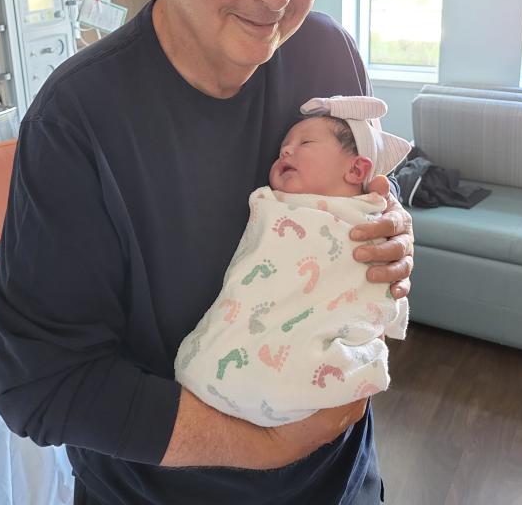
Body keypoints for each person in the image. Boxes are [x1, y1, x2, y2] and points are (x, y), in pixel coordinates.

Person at [0, 0, 415, 505]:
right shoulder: (80, 123)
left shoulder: (327, 57)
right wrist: (265, 448)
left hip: (339, 482)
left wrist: (391, 235)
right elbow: (42, 385)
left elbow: (362, 206)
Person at [175, 96, 412, 427]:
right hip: (252, 324)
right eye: (283, 147)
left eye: (305, 143)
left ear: (356, 169)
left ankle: (287, 381)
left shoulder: (365, 219)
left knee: (299, 362)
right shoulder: (272, 204)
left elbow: (376, 271)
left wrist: (396, 228)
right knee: (204, 358)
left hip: (316, 335)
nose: (285, 151)